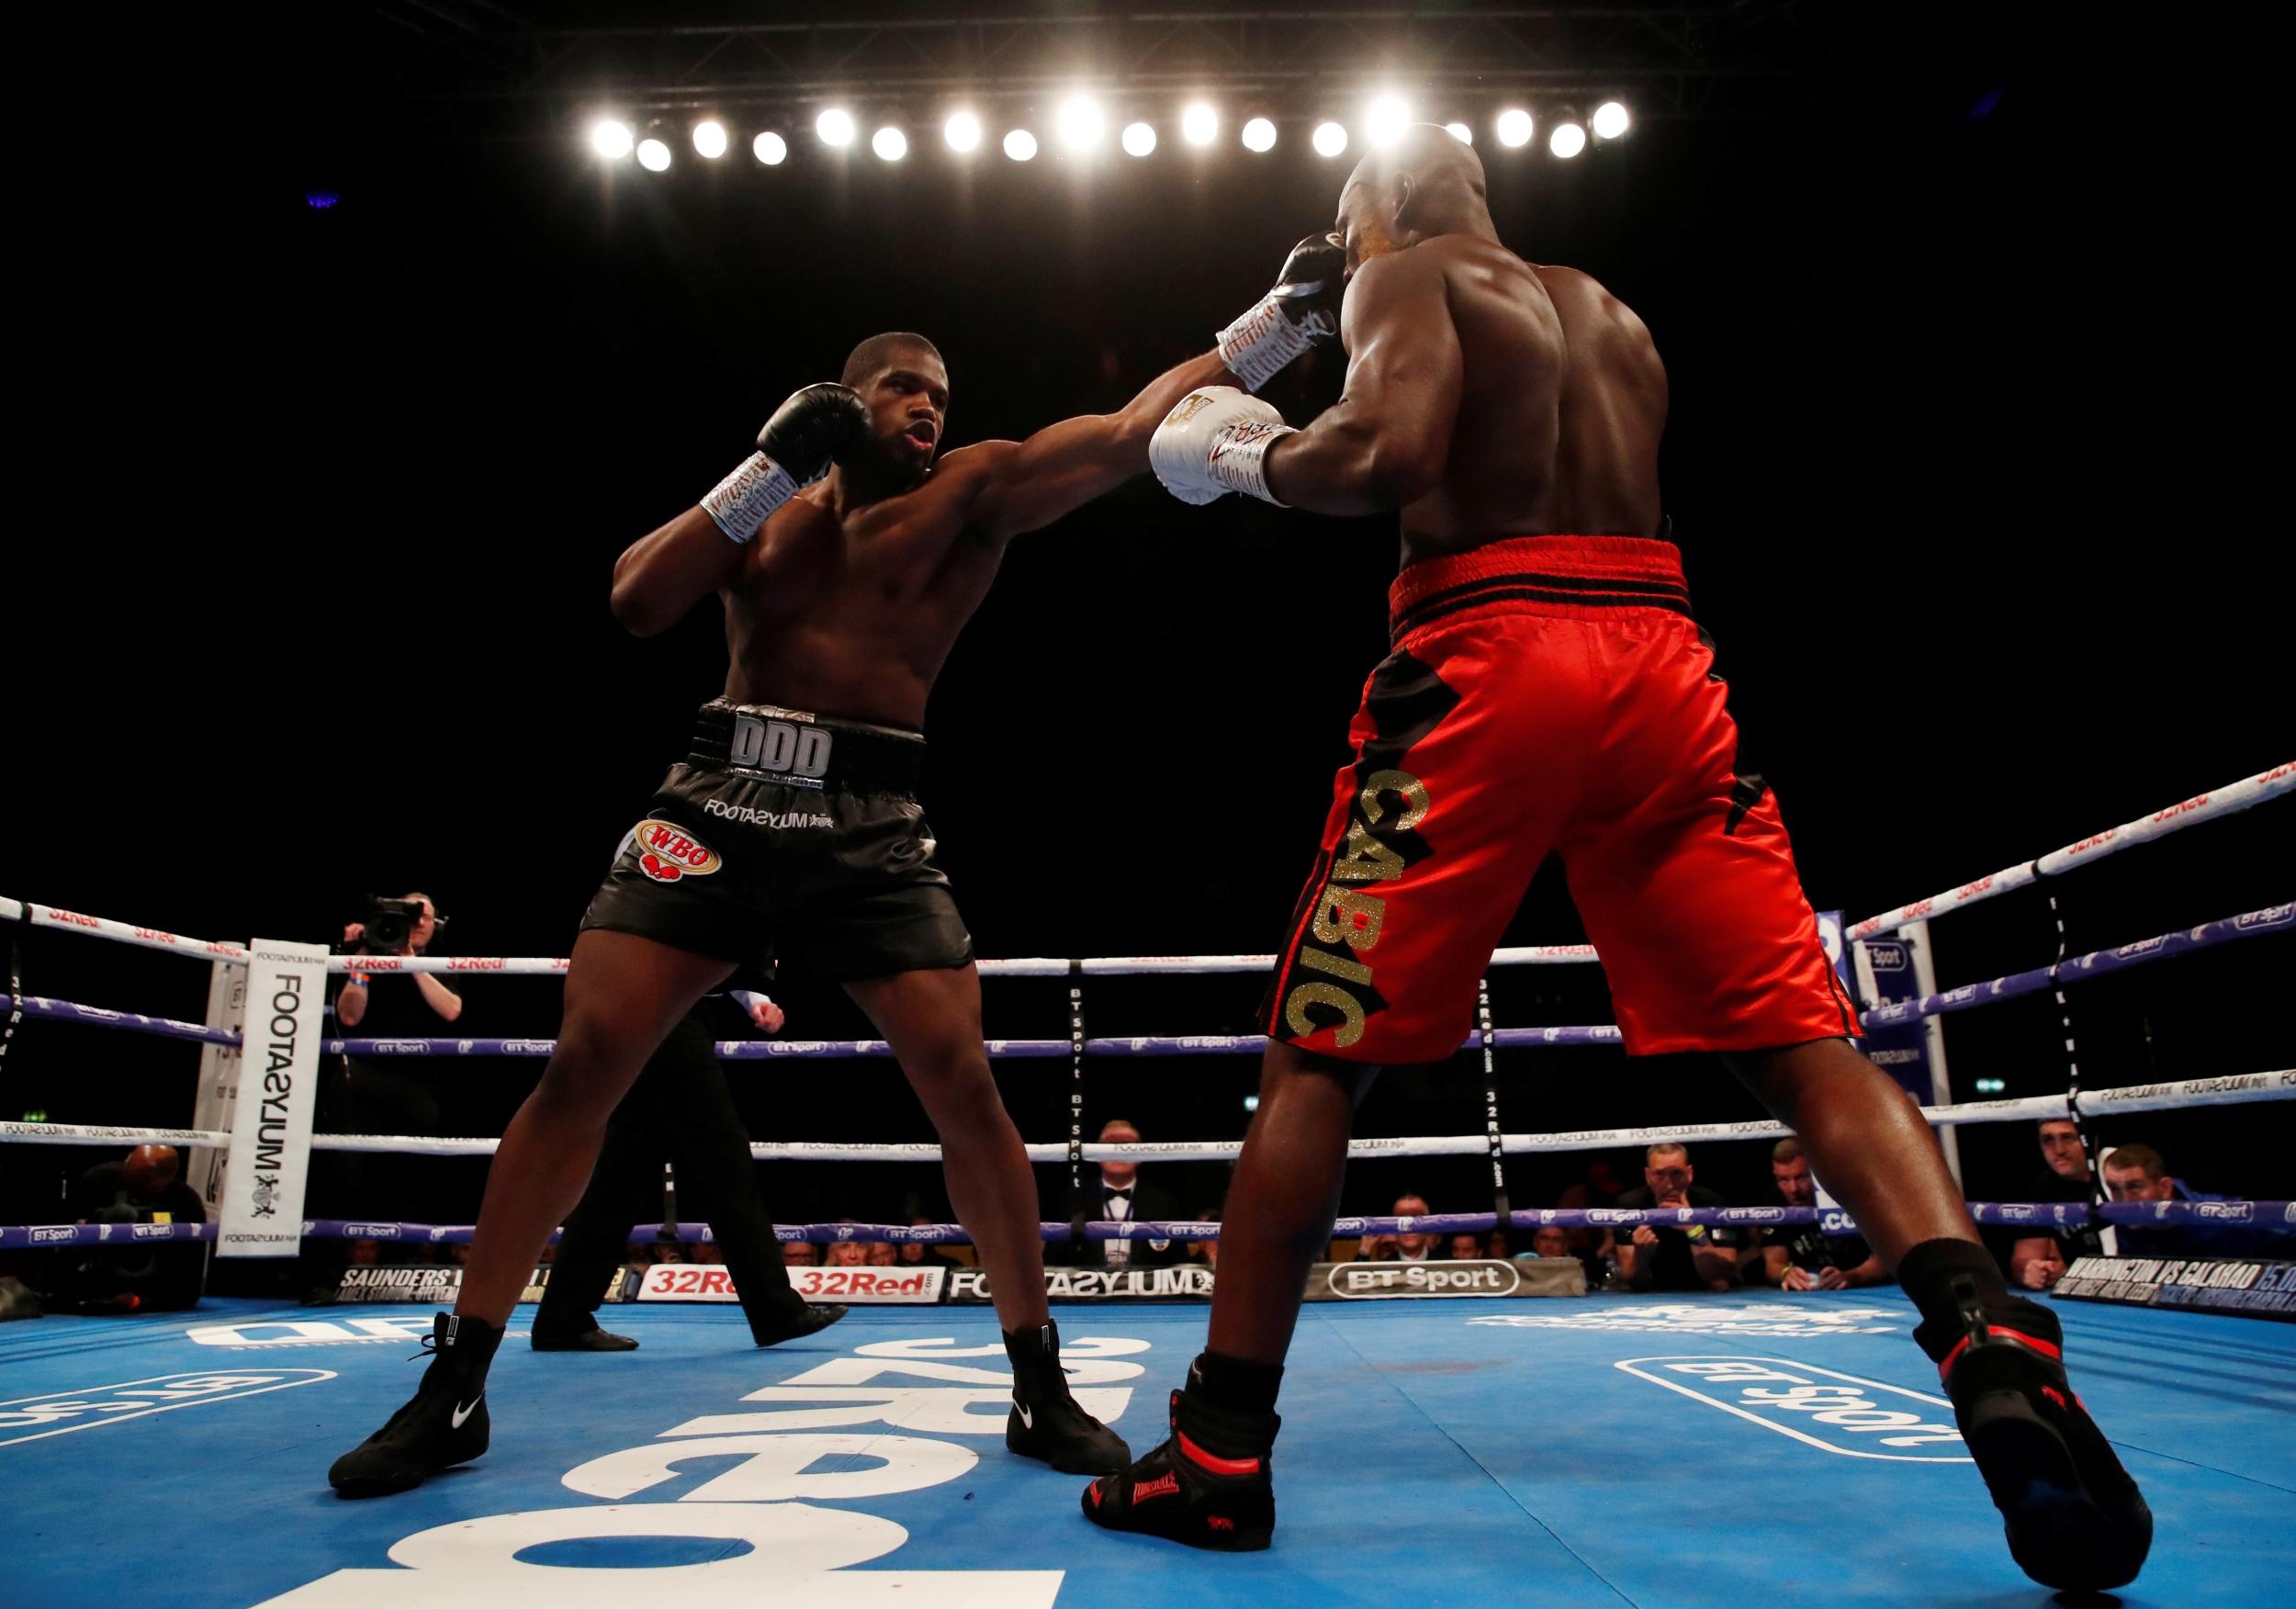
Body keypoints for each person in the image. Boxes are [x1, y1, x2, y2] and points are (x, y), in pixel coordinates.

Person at [1085, 126, 2149, 1592]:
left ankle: (1213, 1458)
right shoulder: (1614, 316)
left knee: (1319, 1059)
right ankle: (1986, 1326)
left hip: (1485, 658)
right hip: (1665, 665)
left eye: (1348, 223)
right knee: (1801, 1042)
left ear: (1386, 203)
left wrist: (1241, 450)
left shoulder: (1413, 281)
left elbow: (1374, 457)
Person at [330, 298, 1338, 1496]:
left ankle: (1035, 1380)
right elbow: (638, 601)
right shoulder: (770, 510)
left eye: (941, 397)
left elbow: (1130, 431)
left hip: (871, 821)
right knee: (586, 1061)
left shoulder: (971, 491)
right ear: (848, 394)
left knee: (963, 1083)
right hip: (716, 797)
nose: (929, 408)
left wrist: (1281, 322)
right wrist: (766, 468)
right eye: (907, 386)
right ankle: (456, 1384)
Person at [527, 991, 842, 1353]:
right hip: (668, 1015)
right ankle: (776, 1310)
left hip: (666, 1012)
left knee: (620, 1175)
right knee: (724, 1161)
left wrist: (751, 998)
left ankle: (563, 1317)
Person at [57, 1144, 208, 1313]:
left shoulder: (185, 1202)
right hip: (90, 1279)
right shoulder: (97, 1181)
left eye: (143, 1180)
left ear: (167, 1177)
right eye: (130, 1172)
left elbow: (189, 1281)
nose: (133, 1186)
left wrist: (139, 1301)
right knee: (120, 1214)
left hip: (153, 1288)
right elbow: (59, 1239)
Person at [1760, 1138, 1886, 1290]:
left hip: (1866, 1285)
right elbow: (1774, 1263)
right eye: (1783, 1180)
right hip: (1811, 1289)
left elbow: (1886, 1257)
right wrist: (1786, 1273)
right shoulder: (1775, 1200)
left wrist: (1852, 1276)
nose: (1793, 1189)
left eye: (1801, 1177)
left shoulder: (1849, 1192)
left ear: (1816, 1171)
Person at [1614, 1144, 1739, 1293]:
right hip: (1652, 1295)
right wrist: (1641, 1256)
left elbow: (1721, 1277)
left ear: (1689, 1173)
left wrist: (1694, 1229)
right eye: (1659, 1175)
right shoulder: (1630, 1207)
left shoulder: (1712, 1205)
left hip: (1704, 1294)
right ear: (1648, 1176)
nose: (1669, 1185)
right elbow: (1633, 1281)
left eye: (1676, 1174)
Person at [2006, 1118, 2105, 1290]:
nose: (2059, 1150)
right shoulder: (2041, 1189)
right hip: (2083, 1293)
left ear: (2092, 1142)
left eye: (2068, 1137)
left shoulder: (2120, 1178)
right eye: (2048, 1140)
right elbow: (2023, 1260)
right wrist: (2029, 1271)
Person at [1075, 1119, 1181, 1270]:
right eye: (1111, 1145)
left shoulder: (1164, 1203)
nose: (1119, 1151)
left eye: (1127, 1145)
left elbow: (1179, 1266)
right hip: (1087, 1290)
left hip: (1149, 1292)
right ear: (1096, 1154)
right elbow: (1055, 1263)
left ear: (1141, 1155)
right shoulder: (1074, 1200)